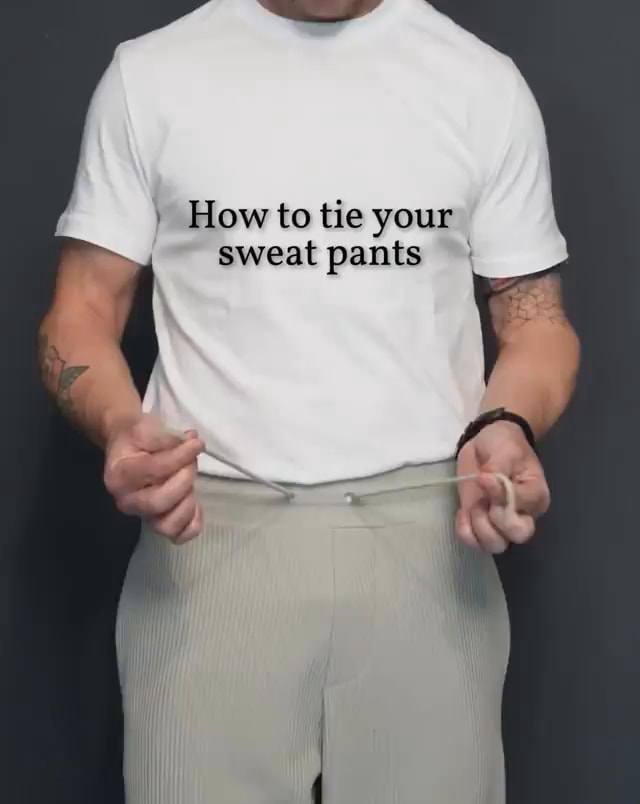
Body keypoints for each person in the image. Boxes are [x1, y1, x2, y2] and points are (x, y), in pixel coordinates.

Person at [38, 0, 581, 801]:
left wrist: (508, 423)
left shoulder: (480, 84)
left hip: (434, 540)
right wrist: (121, 425)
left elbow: (535, 322)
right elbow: (82, 309)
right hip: (206, 541)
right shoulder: (150, 76)